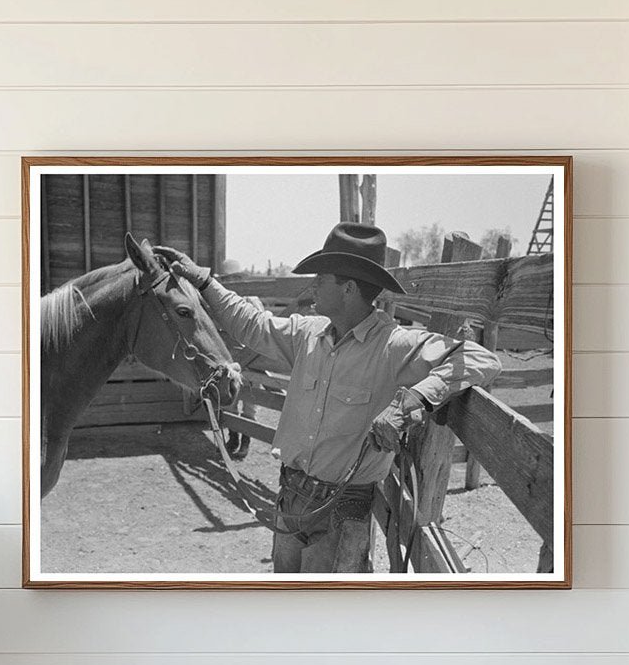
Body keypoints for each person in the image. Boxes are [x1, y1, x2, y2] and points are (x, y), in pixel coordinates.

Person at [155, 222, 502, 573]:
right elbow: (252, 324)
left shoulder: (393, 346)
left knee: (326, 611)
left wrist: (412, 400)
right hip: (290, 496)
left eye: (321, 278)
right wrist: (203, 281)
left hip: (342, 509)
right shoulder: (308, 334)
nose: (313, 285)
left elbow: (482, 359)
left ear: (348, 288)